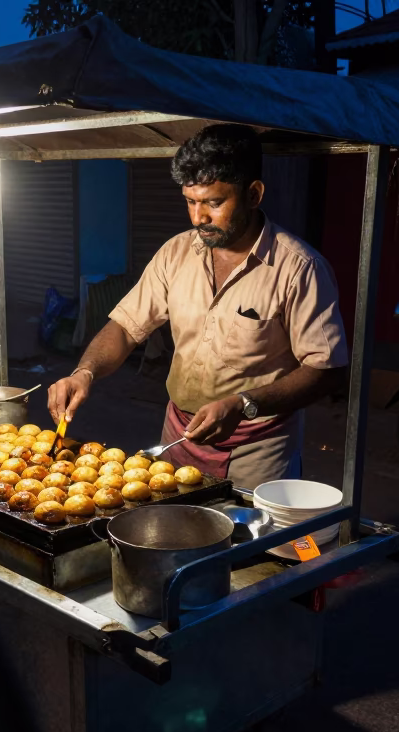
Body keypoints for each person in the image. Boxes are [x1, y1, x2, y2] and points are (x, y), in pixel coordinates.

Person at [47, 124, 348, 489]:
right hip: (178, 436)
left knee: (252, 543)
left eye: (214, 203)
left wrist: (243, 403)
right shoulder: (176, 253)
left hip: (258, 449)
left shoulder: (300, 268)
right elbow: (126, 327)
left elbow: (326, 369)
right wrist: (85, 372)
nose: (197, 218)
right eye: (190, 201)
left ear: (253, 194)